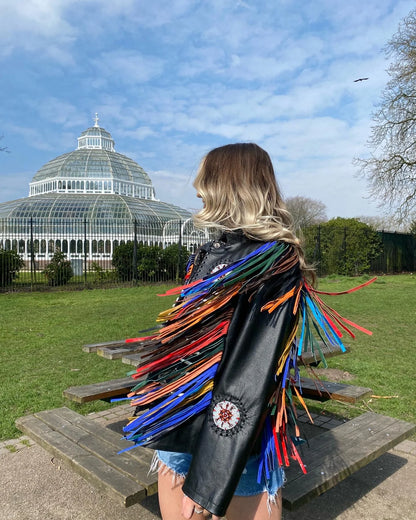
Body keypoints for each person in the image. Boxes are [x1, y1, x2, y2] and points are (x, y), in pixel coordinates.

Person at [120, 143, 372, 520]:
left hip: (236, 444)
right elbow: (183, 342)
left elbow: (249, 375)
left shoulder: (272, 261)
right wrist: (155, 400)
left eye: (205, 178)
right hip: (180, 430)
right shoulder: (206, 254)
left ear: (228, 185)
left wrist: (209, 482)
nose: (196, 188)